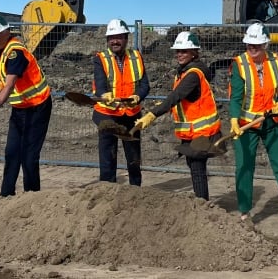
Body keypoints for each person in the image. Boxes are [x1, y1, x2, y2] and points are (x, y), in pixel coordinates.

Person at [228, 22, 278, 231]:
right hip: (247, 124)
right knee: (244, 167)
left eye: (257, 45)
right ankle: (244, 213)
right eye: (250, 45)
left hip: (273, 122)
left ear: (265, 45)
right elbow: (235, 97)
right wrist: (234, 119)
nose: (253, 49)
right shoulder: (239, 64)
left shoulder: (275, 61)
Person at [133, 31, 221, 200]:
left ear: (194, 52)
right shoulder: (185, 71)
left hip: (200, 132)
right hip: (193, 131)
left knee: (197, 168)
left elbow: (175, 96)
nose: (179, 54)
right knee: (194, 165)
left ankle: (203, 207)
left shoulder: (193, 74)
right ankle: (202, 204)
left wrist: (152, 114)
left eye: (184, 51)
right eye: (178, 51)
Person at [0, 14, 52, 197]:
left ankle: (32, 196)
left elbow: (11, 84)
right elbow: (8, 80)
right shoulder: (2, 53)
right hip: (21, 109)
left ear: (7, 32)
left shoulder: (15, 52)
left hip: (38, 107)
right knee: (12, 153)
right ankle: (6, 196)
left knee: (29, 157)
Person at [92, 18, 150, 186]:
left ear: (126, 38)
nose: (115, 41)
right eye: (111, 38)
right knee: (107, 158)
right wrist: (104, 94)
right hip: (107, 115)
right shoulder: (100, 58)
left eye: (118, 37)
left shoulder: (136, 56)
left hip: (131, 115)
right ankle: (107, 191)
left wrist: (138, 96)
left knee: (134, 158)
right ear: (107, 40)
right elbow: (100, 84)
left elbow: (145, 84)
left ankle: (135, 192)